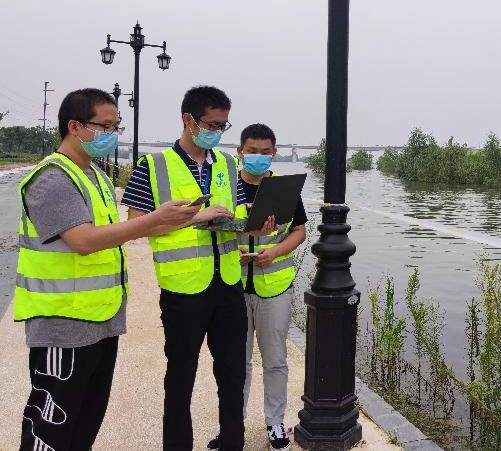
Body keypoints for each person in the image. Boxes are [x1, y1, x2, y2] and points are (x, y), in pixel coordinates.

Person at [15, 88, 201, 451]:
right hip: (63, 326)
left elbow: (110, 235)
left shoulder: (95, 176)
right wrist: (153, 221)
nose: (113, 135)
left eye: (117, 126)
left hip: (101, 321)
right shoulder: (53, 177)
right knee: (50, 430)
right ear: (75, 126)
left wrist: (167, 220)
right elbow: (84, 241)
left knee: (83, 427)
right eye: (105, 126)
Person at [121, 86, 274, 451]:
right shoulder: (154, 166)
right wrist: (193, 218)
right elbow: (135, 225)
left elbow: (234, 217)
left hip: (228, 286)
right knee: (180, 379)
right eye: (211, 124)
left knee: (233, 376)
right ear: (188, 120)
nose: (217, 132)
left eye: (223, 125)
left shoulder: (225, 164)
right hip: (183, 290)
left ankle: (231, 444)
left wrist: (254, 226)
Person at [206, 124, 306, 451]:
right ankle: (231, 426)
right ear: (240, 151)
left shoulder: (283, 190)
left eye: (265, 152)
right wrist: (232, 251)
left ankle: (275, 424)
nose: (258, 157)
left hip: (274, 289)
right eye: (252, 150)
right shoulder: (225, 188)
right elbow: (210, 229)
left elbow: (299, 232)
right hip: (233, 290)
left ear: (274, 154)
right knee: (236, 363)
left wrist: (273, 251)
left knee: (275, 360)